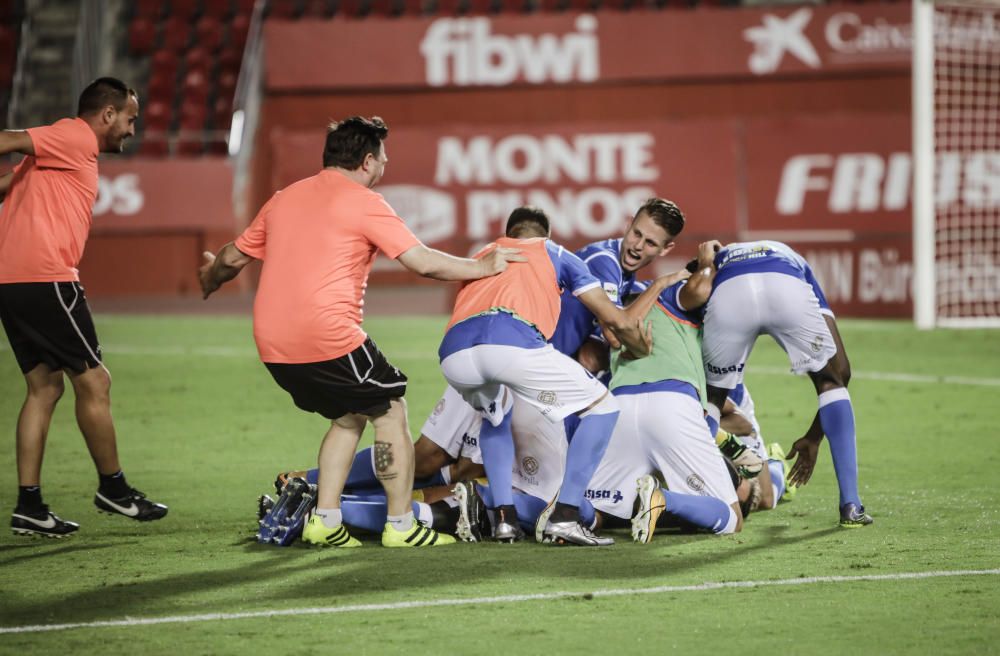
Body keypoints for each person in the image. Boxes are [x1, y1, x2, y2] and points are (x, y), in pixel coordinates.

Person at [198, 116, 522, 549]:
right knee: (390, 409)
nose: (385, 166)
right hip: (326, 334)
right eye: (383, 158)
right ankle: (402, 525)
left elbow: (231, 260)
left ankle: (325, 520)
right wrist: (482, 267)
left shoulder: (284, 198)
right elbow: (422, 261)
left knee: (350, 415)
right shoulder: (364, 201)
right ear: (367, 161)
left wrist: (209, 277)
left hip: (273, 345)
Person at [438, 206, 679, 546]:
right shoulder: (560, 254)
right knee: (603, 407)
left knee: (486, 428)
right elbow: (618, 327)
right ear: (546, 238)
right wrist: (644, 333)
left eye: (649, 241)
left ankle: (500, 518)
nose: (638, 245)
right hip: (516, 355)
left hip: (457, 353)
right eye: (637, 233)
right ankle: (564, 518)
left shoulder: (483, 254)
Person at [0, 77, 168, 538]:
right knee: (94, 380)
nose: (132, 130)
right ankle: (113, 489)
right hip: (46, 277)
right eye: (130, 118)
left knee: (44, 388)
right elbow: (8, 139)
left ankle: (29, 506)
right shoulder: (73, 135)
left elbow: (6, 187)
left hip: (12, 281)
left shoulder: (54, 159)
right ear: (107, 114)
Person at [699, 240, 871, 527]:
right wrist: (814, 438)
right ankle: (851, 505)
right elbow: (843, 372)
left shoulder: (720, 261)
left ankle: (697, 492)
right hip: (785, 285)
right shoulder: (796, 262)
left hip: (730, 290)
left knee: (712, 400)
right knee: (831, 381)